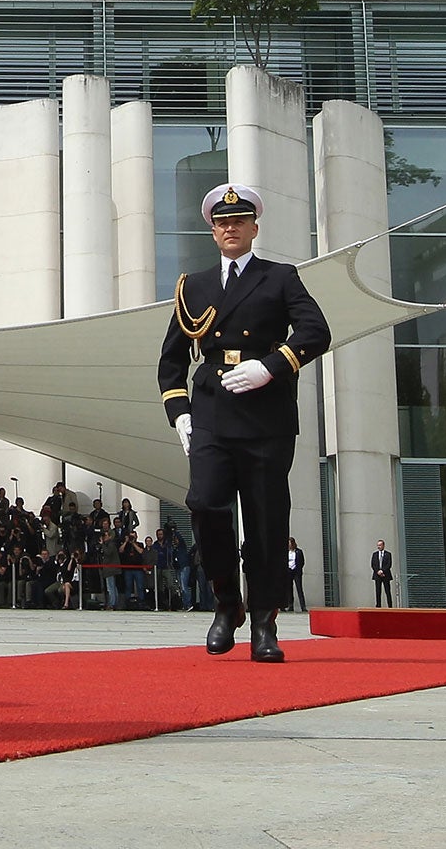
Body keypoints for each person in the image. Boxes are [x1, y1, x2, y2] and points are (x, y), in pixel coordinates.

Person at [159, 184, 331, 662]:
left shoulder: (280, 278)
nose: (230, 228)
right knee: (206, 504)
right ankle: (226, 602)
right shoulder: (192, 286)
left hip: (266, 415)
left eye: (239, 221)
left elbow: (316, 331)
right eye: (222, 222)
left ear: (255, 228)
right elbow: (170, 362)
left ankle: (263, 621)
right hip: (212, 413)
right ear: (212, 231)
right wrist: (181, 414)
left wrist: (272, 365)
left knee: (266, 521)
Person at [371, 538, 394, 607]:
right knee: (378, 591)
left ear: (383, 545)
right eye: (378, 545)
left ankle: (390, 605)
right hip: (377, 575)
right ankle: (378, 605)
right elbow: (373, 564)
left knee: (387, 591)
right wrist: (378, 571)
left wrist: (382, 571)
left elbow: (389, 564)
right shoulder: (374, 554)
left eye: (380, 545)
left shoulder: (388, 554)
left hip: (385, 575)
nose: (378, 547)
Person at [287, 537, 307, 612]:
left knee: (299, 588)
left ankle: (303, 606)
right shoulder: (287, 552)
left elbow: (302, 562)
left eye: (291, 543)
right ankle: (290, 606)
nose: (290, 545)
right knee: (289, 589)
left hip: (296, 572)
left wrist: (298, 568)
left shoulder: (299, 552)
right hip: (289, 572)